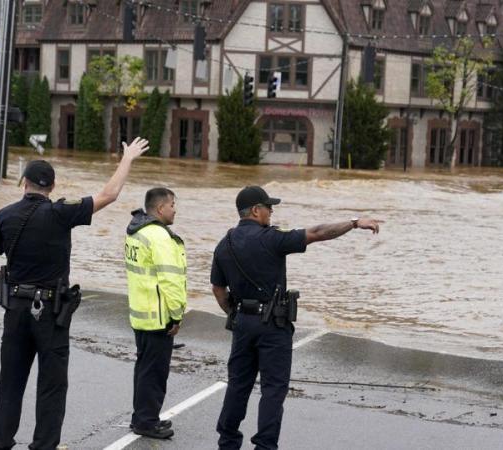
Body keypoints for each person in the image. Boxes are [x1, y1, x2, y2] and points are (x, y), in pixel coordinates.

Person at [0, 137, 150, 450]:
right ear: (52, 186)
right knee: (51, 385)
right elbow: (109, 195)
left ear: (24, 183)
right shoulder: (63, 213)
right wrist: (127, 157)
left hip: (17, 309)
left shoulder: (5, 215)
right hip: (50, 312)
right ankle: (44, 445)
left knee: (10, 382)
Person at [211, 185, 380, 450]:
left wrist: (236, 314)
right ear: (256, 210)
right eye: (269, 207)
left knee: (238, 385)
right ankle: (265, 446)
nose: (271, 212)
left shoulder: (225, 244)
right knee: (273, 390)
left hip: (242, 323)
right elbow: (317, 233)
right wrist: (354, 222)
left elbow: (218, 290)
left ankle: (228, 442)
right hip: (272, 325)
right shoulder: (272, 238)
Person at [124, 187, 187, 440]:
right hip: (159, 317)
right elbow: (170, 280)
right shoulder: (160, 237)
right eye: (172, 204)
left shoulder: (136, 231)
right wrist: (176, 315)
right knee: (154, 372)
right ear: (160, 209)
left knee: (144, 369)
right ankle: (147, 422)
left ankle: (141, 416)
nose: (175, 209)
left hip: (141, 314)